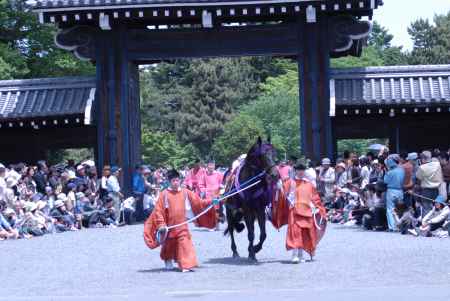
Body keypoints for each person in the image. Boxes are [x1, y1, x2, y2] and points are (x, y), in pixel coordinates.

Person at [143, 169, 218, 272]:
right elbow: (158, 211)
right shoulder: (164, 194)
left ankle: (185, 265)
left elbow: (198, 202)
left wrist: (210, 202)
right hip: (169, 227)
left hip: (182, 226)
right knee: (169, 246)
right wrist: (161, 225)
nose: (176, 182)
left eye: (177, 180)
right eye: (173, 180)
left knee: (185, 244)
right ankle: (168, 259)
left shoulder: (186, 192)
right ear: (169, 181)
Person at [271, 163, 326, 263]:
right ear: (295, 171)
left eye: (302, 170)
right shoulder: (290, 182)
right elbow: (283, 194)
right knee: (295, 232)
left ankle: (301, 255)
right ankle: (294, 255)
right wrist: (279, 189)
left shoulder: (309, 184)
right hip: (294, 210)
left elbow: (315, 197)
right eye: (299, 170)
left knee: (305, 233)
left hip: (307, 210)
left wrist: (317, 206)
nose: (301, 172)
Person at [416, 151, 443, 216]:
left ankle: (427, 224)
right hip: (437, 190)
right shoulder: (437, 165)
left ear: (423, 158)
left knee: (426, 209)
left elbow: (419, 179)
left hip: (426, 191)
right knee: (437, 208)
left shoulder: (422, 167)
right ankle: (436, 223)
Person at [384, 156, 405, 232]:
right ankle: (400, 225)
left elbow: (385, 181)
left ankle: (393, 227)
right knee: (400, 209)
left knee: (390, 209)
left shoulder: (389, 172)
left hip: (391, 191)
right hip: (400, 191)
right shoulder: (402, 170)